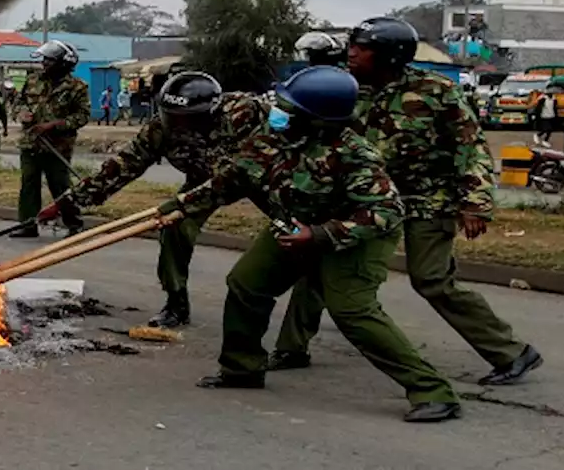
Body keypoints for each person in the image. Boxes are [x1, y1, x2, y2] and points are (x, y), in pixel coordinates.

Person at [161, 66, 462, 422]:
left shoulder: (354, 155)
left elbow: (386, 211)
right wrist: (178, 207)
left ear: (316, 120)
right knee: (246, 284)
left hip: (354, 236)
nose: (279, 113)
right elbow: (231, 179)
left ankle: (432, 390)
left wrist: (320, 235)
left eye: (289, 109)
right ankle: (242, 369)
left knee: (352, 311)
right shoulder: (273, 139)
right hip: (294, 225)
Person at [272, 17, 542, 387]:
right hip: (367, 196)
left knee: (432, 279)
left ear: (388, 56)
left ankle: (510, 351)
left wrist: (475, 202)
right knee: (322, 257)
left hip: (427, 200)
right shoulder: (347, 88)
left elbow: (470, 147)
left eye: (361, 48)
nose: (351, 52)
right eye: (352, 45)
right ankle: (292, 347)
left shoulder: (436, 91)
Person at [40, 71, 267, 328]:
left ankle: (296, 339)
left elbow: (243, 171)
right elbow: (124, 165)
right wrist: (67, 202)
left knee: (301, 236)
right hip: (203, 180)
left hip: (263, 176)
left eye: (185, 119)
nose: (177, 124)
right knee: (173, 226)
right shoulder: (161, 126)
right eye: (172, 116)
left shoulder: (244, 114)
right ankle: (176, 303)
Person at [12, 40, 90, 238]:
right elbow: (17, 103)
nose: (44, 63)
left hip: (58, 146)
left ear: (63, 64)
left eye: (49, 60)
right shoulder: (32, 81)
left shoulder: (77, 87)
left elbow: (82, 116)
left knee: (60, 186)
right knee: (29, 184)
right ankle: (28, 225)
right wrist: (21, 113)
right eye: (44, 59)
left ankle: (74, 224)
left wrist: (54, 125)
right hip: (31, 143)